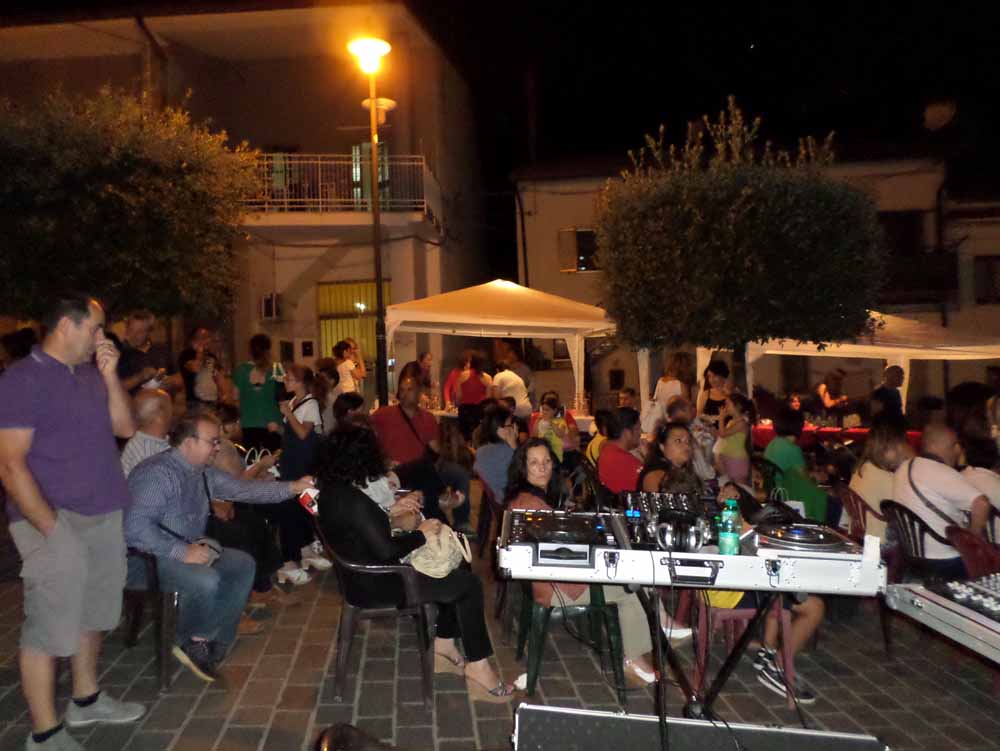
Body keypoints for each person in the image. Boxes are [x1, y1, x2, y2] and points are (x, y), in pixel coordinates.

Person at [0, 293, 145, 750]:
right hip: (51, 519)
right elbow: (10, 465)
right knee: (46, 626)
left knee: (94, 613)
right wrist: (51, 530)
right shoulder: (22, 379)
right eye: (95, 328)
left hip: (102, 511)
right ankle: (44, 734)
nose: (102, 337)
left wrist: (110, 374)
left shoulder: (90, 374)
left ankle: (85, 701)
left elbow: (125, 428)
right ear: (67, 325)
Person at [317, 426, 515, 702]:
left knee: (457, 567)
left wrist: (391, 513)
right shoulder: (352, 500)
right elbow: (387, 550)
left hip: (363, 577)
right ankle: (478, 667)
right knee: (468, 585)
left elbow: (363, 531)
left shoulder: (333, 492)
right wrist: (421, 535)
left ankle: (444, 645)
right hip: (382, 582)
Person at [126, 411, 315, 682]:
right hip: (145, 558)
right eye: (212, 441)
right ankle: (187, 640)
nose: (217, 447)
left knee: (242, 564)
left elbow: (244, 490)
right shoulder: (157, 474)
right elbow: (134, 528)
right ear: (188, 442)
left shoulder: (201, 471)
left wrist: (293, 487)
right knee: (206, 580)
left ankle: (210, 639)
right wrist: (182, 552)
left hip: (185, 549)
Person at [508, 439, 678, 683]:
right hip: (555, 586)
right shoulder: (531, 503)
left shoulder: (535, 496)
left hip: (552, 577)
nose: (542, 467)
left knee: (635, 577)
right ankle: (633, 658)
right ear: (523, 468)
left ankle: (660, 623)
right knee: (632, 589)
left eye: (546, 461)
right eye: (534, 463)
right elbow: (560, 551)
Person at [210, 404, 290, 609]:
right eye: (236, 422)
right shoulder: (220, 448)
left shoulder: (225, 446)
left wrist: (260, 473)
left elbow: (237, 480)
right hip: (227, 503)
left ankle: (264, 586)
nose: (239, 426)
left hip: (232, 501)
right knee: (248, 528)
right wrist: (261, 466)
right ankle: (259, 587)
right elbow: (237, 482)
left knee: (257, 523)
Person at [892, 424, 992, 579]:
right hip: (946, 559)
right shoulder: (938, 471)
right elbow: (982, 503)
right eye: (953, 445)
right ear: (934, 446)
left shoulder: (902, 468)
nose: (958, 451)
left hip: (912, 558)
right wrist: (972, 539)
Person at [269, 365, 331, 584]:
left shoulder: (310, 403)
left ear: (301, 383)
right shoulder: (295, 401)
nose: (285, 381)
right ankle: (299, 553)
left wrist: (287, 414)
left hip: (302, 464)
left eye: (289, 379)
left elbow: (304, 433)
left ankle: (299, 553)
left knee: (302, 506)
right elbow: (293, 433)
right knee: (295, 507)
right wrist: (279, 428)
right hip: (292, 461)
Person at [370, 377, 459, 524]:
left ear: (419, 393)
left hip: (417, 470)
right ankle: (443, 507)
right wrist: (383, 460)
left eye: (409, 390)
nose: (404, 394)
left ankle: (453, 522)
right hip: (394, 470)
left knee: (456, 474)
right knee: (425, 471)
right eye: (402, 390)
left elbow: (436, 449)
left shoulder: (427, 418)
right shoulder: (383, 415)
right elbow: (366, 437)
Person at [848, 420, 912, 542]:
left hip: (861, 538)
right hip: (880, 542)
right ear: (887, 449)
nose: (903, 452)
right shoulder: (886, 478)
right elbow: (909, 510)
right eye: (900, 446)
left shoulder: (861, 469)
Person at [231, 334, 283, 454]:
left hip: (247, 422)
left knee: (251, 459)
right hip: (272, 423)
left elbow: (235, 398)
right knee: (272, 459)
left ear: (250, 350)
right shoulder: (277, 368)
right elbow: (282, 397)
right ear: (269, 349)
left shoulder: (240, 370)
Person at [639, 422, 706, 497]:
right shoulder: (655, 476)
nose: (686, 445)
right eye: (678, 441)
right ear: (662, 447)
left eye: (688, 441)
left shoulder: (685, 471)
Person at [115, 310, 171, 395]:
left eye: (140, 332)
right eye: (131, 330)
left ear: (149, 332)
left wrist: (161, 379)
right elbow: (114, 388)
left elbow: (179, 379)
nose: (134, 336)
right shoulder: (118, 353)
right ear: (126, 329)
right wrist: (141, 376)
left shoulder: (161, 349)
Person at [120, 389, 173, 477]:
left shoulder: (156, 441)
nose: (173, 412)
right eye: (170, 407)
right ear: (160, 416)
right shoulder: (146, 451)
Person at [664, 397, 716, 484]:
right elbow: (703, 465)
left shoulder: (687, 427)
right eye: (689, 409)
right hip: (696, 481)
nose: (692, 411)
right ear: (681, 411)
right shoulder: (682, 435)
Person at [473, 406, 518, 500]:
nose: (514, 428)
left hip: (494, 501)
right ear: (498, 429)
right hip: (508, 500)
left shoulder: (481, 451)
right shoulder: (508, 452)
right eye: (510, 425)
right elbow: (524, 476)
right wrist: (514, 445)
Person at [597, 407, 643, 494]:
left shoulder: (607, 449)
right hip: (627, 501)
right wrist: (648, 457)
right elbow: (654, 485)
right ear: (627, 433)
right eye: (637, 428)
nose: (640, 433)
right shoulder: (626, 461)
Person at [529, 391, 580, 464]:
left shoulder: (560, 421)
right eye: (543, 409)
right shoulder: (539, 420)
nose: (544, 412)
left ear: (555, 410)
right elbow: (534, 436)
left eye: (547, 410)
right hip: (543, 451)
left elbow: (560, 434)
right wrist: (537, 421)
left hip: (557, 453)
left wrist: (551, 422)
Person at [715, 394, 754, 484]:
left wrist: (721, 418)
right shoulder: (731, 421)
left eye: (728, 404)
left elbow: (723, 434)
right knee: (730, 487)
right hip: (729, 458)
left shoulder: (742, 423)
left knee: (739, 488)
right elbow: (724, 435)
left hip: (737, 460)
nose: (725, 407)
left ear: (738, 406)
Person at [178, 327, 215, 407]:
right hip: (195, 403)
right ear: (193, 341)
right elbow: (196, 368)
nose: (208, 340)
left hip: (213, 401)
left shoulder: (211, 356)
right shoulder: (187, 354)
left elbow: (218, 375)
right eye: (204, 337)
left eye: (209, 337)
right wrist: (200, 351)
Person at [696, 360, 730, 429]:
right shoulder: (705, 394)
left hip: (728, 431)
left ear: (722, 375)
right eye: (709, 376)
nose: (711, 379)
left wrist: (728, 394)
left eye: (714, 376)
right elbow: (699, 415)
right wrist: (715, 418)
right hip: (710, 431)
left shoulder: (731, 394)